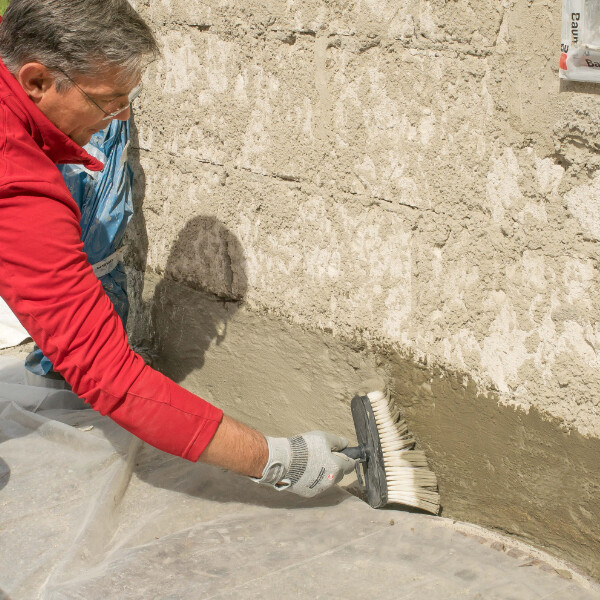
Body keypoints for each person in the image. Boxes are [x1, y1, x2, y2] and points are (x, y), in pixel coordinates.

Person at [0, 0, 355, 497]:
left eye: (128, 100)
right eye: (108, 101)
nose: (117, 118)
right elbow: (108, 375)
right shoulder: (17, 183)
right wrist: (274, 458)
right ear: (36, 81)